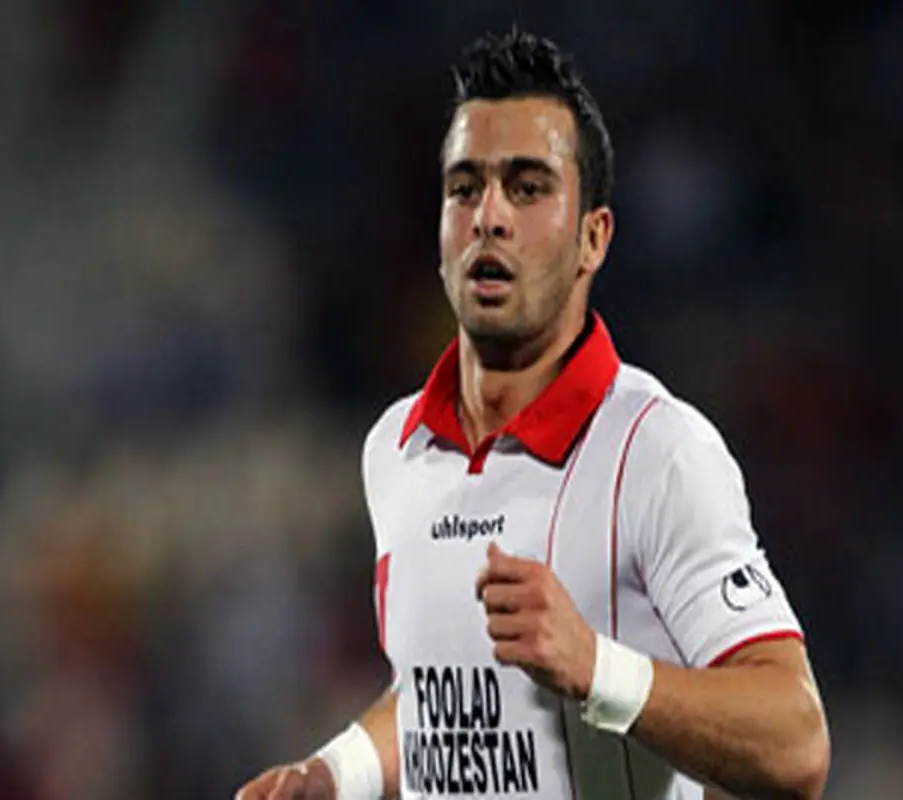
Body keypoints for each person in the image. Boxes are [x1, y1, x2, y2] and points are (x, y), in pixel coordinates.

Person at [236, 27, 830, 800]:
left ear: (593, 239)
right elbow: (440, 696)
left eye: (527, 187)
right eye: (464, 187)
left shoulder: (656, 450)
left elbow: (797, 743)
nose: (489, 216)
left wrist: (597, 669)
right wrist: (335, 773)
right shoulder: (395, 450)